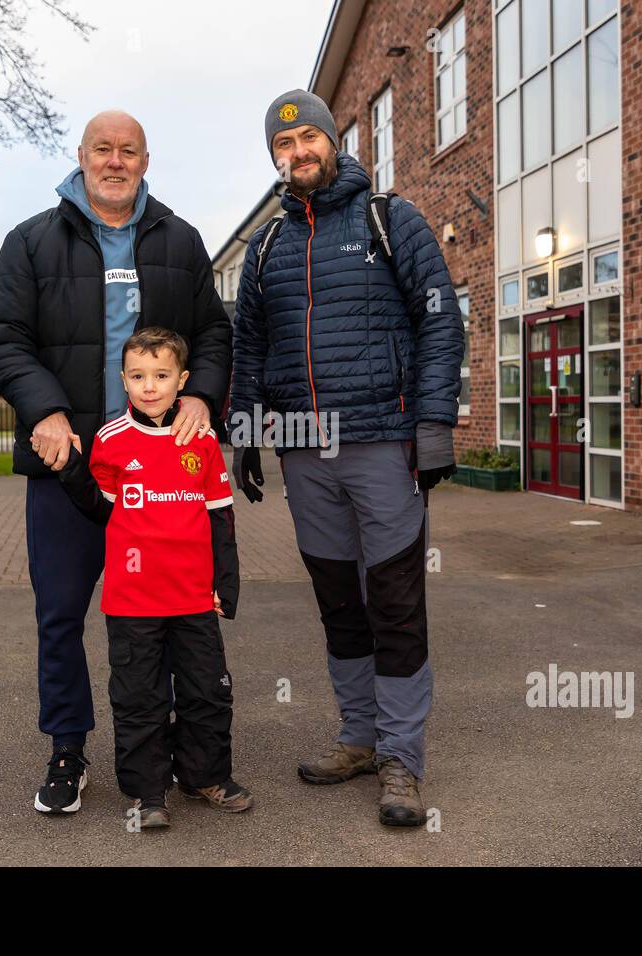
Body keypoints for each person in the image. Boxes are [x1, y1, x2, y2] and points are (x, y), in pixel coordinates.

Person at [0, 110, 230, 814]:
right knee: (60, 614)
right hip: (71, 470)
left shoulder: (180, 241)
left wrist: (204, 396)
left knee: (176, 615)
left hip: (164, 477)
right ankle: (67, 746)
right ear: (81, 157)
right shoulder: (30, 242)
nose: (114, 161)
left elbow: (213, 331)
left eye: (128, 151)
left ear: (145, 161)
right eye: (102, 150)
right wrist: (46, 410)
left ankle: (182, 750)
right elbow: (2, 335)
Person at [229, 89, 464, 827]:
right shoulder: (266, 247)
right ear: (275, 158)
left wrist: (431, 429)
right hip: (304, 453)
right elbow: (249, 347)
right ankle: (359, 737)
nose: (298, 156)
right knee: (339, 606)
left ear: (333, 141)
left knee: (394, 602)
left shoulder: (391, 221)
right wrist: (244, 432)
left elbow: (440, 326)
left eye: (308, 142)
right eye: (283, 149)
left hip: (383, 445)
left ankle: (401, 756)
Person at [58, 327, 250, 829]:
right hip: (133, 601)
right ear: (123, 379)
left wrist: (225, 585)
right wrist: (73, 470)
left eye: (161, 375)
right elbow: (100, 510)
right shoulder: (110, 440)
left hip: (192, 598)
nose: (149, 386)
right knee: (140, 697)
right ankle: (147, 793)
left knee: (206, 691)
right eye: (138, 375)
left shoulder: (201, 440)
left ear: (181, 379)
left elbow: (220, 515)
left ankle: (205, 775)